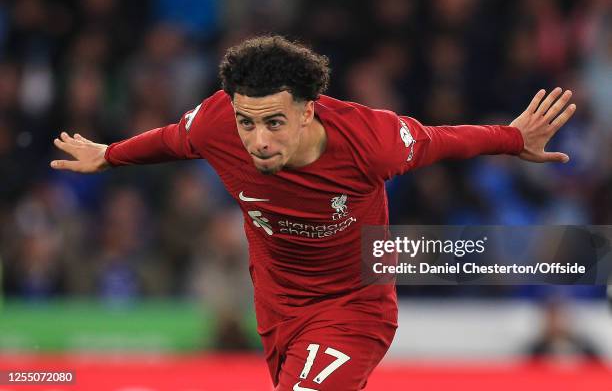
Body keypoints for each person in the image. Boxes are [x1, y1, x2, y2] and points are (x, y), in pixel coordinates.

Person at [50, 36, 576, 391]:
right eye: (246, 123)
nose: (257, 140)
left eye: (274, 122)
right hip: (278, 309)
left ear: (308, 111)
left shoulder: (371, 141)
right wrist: (108, 155)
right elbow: (171, 138)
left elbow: (442, 140)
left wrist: (513, 138)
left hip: (356, 309)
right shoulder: (214, 123)